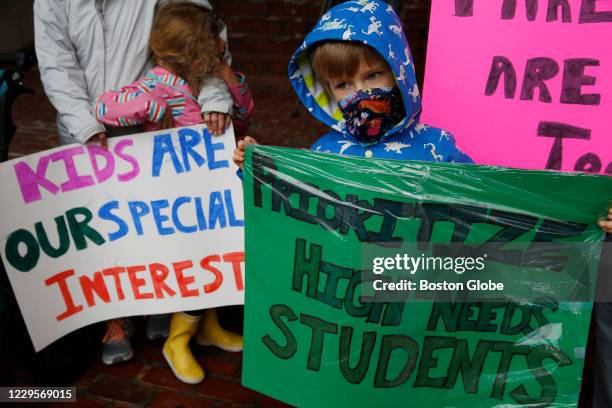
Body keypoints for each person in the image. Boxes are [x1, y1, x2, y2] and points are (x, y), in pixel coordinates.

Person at [33, 0, 236, 366]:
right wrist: (84, 123)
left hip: (157, 119)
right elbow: (56, 63)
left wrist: (215, 97)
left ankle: (163, 302)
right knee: (106, 226)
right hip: (87, 127)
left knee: (161, 219)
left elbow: (205, 31)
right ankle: (117, 320)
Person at [95, 2, 249, 383]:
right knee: (198, 264)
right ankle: (177, 340)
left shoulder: (206, 82)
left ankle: (208, 326)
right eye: (214, 42)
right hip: (177, 201)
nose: (221, 45)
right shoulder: (155, 86)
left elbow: (246, 113)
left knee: (219, 255)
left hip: (211, 196)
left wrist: (228, 77)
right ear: (191, 51)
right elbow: (104, 107)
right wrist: (150, 106)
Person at [234, 0, 472, 169]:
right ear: (328, 90)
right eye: (343, 84)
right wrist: (261, 166)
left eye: (372, 76)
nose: (360, 92)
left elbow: (483, 203)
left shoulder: (437, 148)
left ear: (399, 72)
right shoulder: (322, 153)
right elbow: (290, 204)